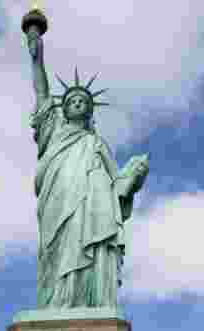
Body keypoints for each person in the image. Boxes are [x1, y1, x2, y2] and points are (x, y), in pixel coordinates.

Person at [25, 21, 150, 309]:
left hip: (92, 206)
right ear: (64, 108)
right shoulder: (53, 131)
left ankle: (84, 300)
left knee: (86, 244)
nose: (78, 102)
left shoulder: (97, 144)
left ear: (90, 110)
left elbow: (117, 187)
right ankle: (57, 302)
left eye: (83, 100)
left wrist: (134, 179)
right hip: (57, 200)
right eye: (72, 100)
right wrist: (37, 56)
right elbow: (42, 94)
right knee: (58, 250)